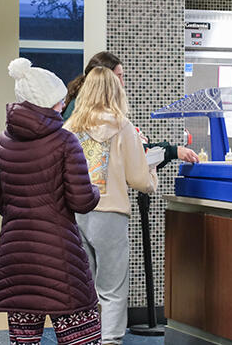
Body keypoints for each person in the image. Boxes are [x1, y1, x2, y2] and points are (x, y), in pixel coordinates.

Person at [0, 58, 102, 344]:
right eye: (59, 101)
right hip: (59, 256)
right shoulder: (65, 141)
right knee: (81, 337)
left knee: (24, 341)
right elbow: (81, 200)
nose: (63, 106)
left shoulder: (1, 142)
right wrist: (96, 190)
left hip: (15, 258)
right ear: (48, 103)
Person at [64, 66, 158, 345]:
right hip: (111, 214)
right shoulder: (123, 127)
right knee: (113, 287)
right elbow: (138, 178)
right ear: (115, 91)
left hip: (76, 213)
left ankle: (83, 336)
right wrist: (151, 174)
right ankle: (110, 340)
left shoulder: (69, 128)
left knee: (83, 284)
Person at [63, 51, 198, 167]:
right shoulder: (85, 112)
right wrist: (171, 151)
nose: (122, 84)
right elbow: (129, 158)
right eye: (118, 77)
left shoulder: (83, 109)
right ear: (104, 79)